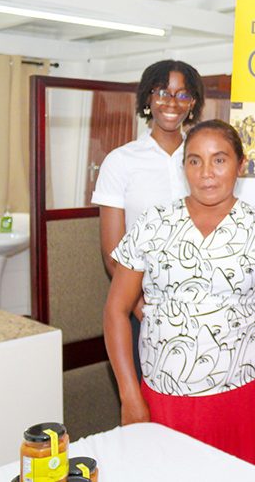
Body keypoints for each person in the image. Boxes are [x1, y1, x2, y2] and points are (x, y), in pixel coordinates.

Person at [103, 120, 255, 475]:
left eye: (219, 160)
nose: (206, 173)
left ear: (240, 165)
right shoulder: (153, 224)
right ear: (183, 168)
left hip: (247, 397)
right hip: (166, 399)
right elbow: (115, 311)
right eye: (194, 161)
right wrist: (129, 396)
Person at [92, 59, 205, 377]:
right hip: (140, 307)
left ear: (193, 103)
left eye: (183, 95)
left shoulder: (202, 160)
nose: (172, 102)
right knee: (145, 408)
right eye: (162, 92)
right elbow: (113, 253)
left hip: (200, 308)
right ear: (147, 98)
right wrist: (145, 310)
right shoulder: (120, 162)